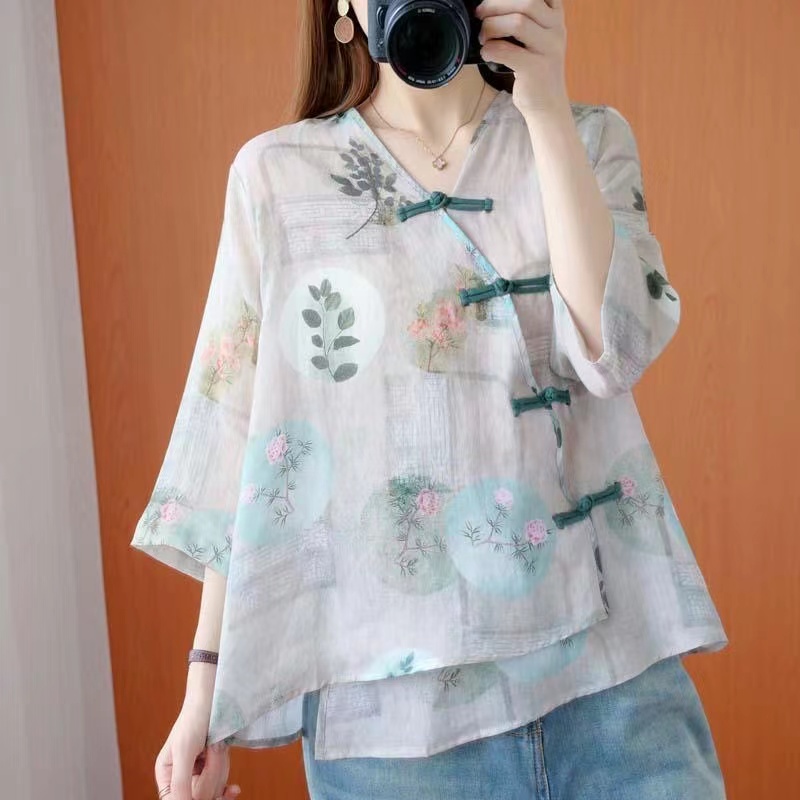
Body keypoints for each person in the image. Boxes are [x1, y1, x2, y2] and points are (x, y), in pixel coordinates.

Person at [132, 1, 729, 798]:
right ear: (342, 9)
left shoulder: (587, 137)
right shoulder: (277, 177)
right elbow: (249, 444)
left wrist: (544, 104)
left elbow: (613, 351)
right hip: (394, 735)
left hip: (615, 690)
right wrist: (204, 684)